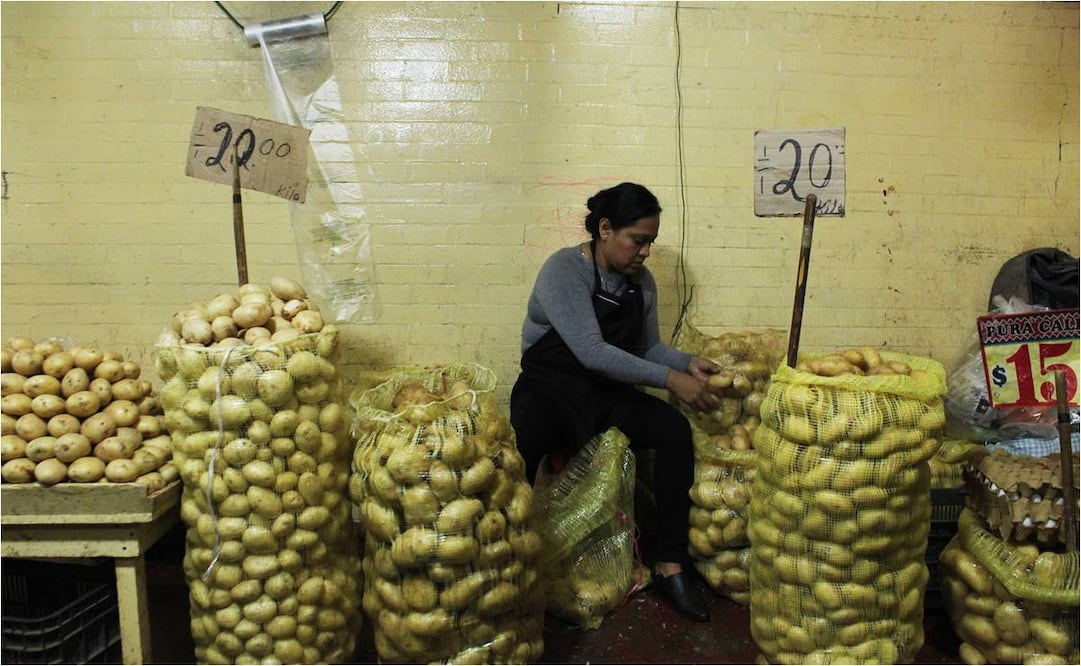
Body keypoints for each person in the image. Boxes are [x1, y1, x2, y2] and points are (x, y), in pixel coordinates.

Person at [510, 181, 723, 623]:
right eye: (638, 241)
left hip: (602, 395)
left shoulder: (640, 284)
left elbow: (647, 349)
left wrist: (688, 363)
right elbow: (591, 351)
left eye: (651, 242)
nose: (645, 253)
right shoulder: (565, 270)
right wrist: (672, 380)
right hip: (550, 389)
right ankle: (512, 564)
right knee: (524, 441)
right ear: (605, 229)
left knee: (672, 431)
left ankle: (670, 564)